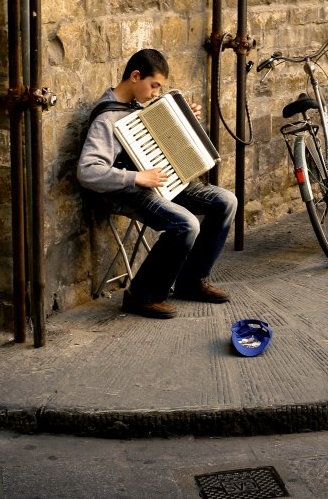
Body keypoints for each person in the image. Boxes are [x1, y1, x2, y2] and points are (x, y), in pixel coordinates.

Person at [77, 48, 238, 319]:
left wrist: (185, 118)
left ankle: (190, 282)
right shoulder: (107, 118)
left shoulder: (141, 106)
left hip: (162, 181)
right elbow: (88, 171)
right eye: (154, 86)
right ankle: (141, 295)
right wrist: (136, 177)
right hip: (127, 189)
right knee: (186, 224)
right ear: (135, 76)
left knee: (226, 201)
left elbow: (162, 142)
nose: (155, 93)